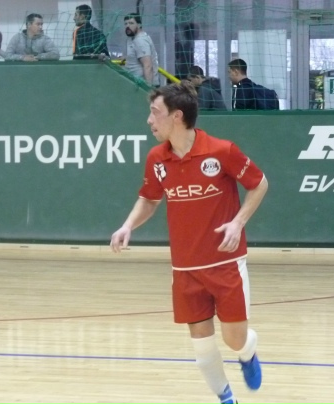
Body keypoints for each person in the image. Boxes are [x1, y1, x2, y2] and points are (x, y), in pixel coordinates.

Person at [110, 81, 267, 404]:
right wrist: (127, 226)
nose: (149, 120)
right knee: (202, 346)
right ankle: (226, 398)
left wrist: (238, 222)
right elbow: (149, 199)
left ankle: (247, 353)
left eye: (155, 113)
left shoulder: (221, 151)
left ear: (177, 116)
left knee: (234, 339)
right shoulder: (157, 158)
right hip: (185, 268)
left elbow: (259, 183)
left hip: (225, 264)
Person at [123, 13, 160, 86]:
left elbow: (148, 65)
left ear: (139, 25)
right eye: (126, 24)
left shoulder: (141, 40)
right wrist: (128, 58)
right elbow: (138, 55)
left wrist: (148, 89)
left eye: (131, 23)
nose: (128, 26)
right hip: (136, 84)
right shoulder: (132, 38)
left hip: (143, 86)